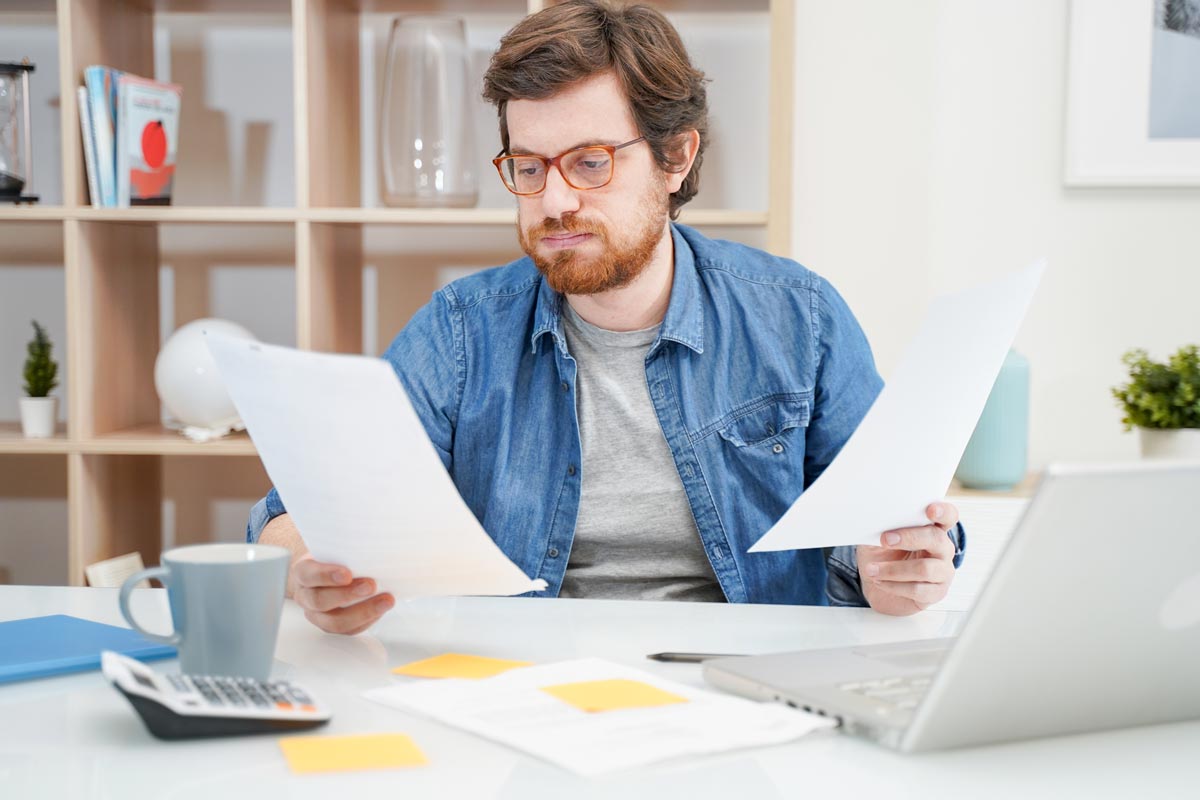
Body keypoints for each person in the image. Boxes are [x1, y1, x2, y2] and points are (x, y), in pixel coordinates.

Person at [247, 0, 965, 636]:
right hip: (520, 685)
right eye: (529, 167)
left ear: (675, 156)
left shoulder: (796, 317)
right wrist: (306, 567)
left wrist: (896, 569)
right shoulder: (462, 331)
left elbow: (891, 520)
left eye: (589, 163)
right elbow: (292, 513)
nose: (553, 201)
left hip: (742, 684)